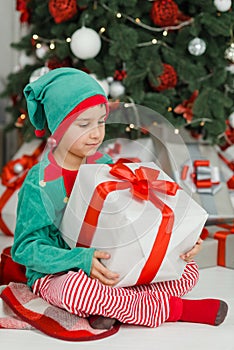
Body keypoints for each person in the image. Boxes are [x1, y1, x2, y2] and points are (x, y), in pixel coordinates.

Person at [11, 68, 228, 329]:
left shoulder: (104, 164)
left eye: (101, 122)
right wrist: (79, 260)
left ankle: (114, 305)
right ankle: (173, 309)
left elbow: (133, 215)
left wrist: (180, 242)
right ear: (58, 126)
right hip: (60, 273)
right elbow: (24, 249)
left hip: (110, 264)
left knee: (188, 271)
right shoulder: (40, 182)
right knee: (77, 290)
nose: (96, 133)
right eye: (83, 125)